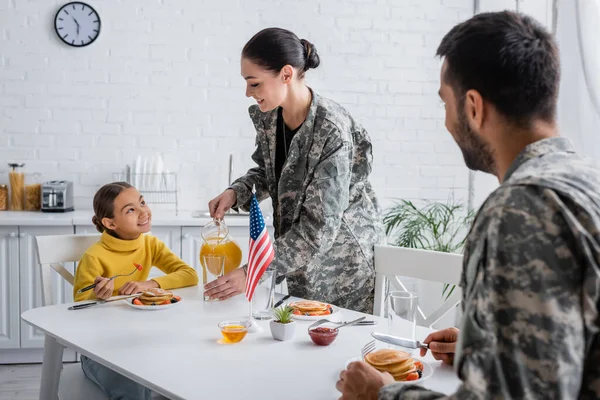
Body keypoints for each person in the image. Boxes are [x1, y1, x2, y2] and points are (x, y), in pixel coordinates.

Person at [337, 11, 600, 399]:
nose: (446, 121)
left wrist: (382, 394)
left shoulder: (520, 209)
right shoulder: (586, 181)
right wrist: (486, 349)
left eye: (446, 103)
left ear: (474, 107)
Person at [205, 28, 385, 313]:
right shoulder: (269, 117)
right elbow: (269, 172)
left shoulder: (331, 130)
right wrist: (235, 193)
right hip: (298, 256)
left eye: (254, 83)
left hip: (344, 266)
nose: (247, 93)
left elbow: (319, 229)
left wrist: (253, 270)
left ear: (286, 74)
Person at [73, 182, 198, 399]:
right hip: (99, 351)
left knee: (183, 377)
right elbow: (79, 306)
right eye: (131, 210)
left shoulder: (150, 245)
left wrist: (149, 284)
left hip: (139, 342)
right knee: (135, 393)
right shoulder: (94, 257)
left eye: (142, 202)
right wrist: (98, 296)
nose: (143, 212)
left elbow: (190, 274)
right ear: (110, 222)